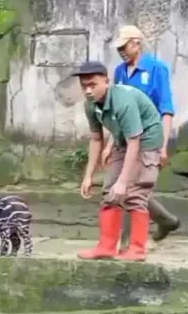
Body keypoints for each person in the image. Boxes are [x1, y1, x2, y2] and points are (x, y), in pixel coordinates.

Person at [75, 60, 164, 261]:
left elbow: (136, 141)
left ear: (106, 82)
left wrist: (123, 182)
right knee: (110, 192)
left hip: (146, 141)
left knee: (134, 193)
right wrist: (88, 176)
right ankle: (106, 247)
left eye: (93, 84)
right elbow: (96, 138)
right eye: (84, 86)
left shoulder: (123, 101)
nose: (88, 90)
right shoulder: (90, 105)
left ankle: (138, 249)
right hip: (123, 141)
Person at [107, 25, 180, 249]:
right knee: (126, 187)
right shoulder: (120, 72)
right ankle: (167, 220)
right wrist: (110, 143)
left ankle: (128, 243)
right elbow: (118, 110)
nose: (121, 51)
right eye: (118, 48)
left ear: (137, 44)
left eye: (124, 46)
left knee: (130, 189)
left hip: (149, 138)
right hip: (125, 138)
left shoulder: (157, 69)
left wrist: (163, 147)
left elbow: (166, 110)